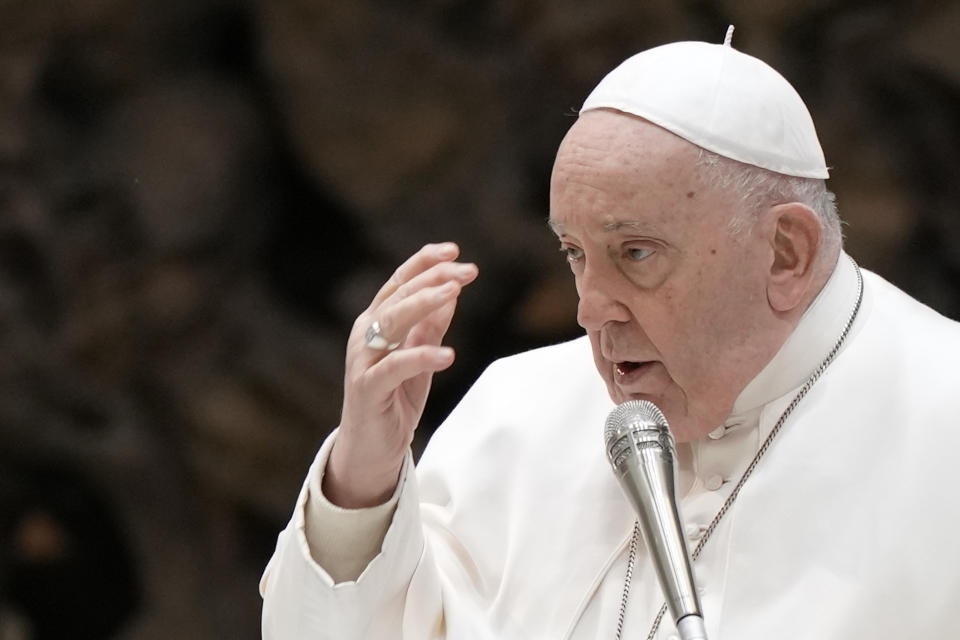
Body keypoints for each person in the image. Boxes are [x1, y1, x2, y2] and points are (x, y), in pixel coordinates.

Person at [260, 32, 960, 640]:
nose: (590, 310)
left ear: (785, 252)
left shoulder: (943, 422)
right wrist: (363, 483)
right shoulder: (517, 413)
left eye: (636, 254)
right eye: (575, 254)